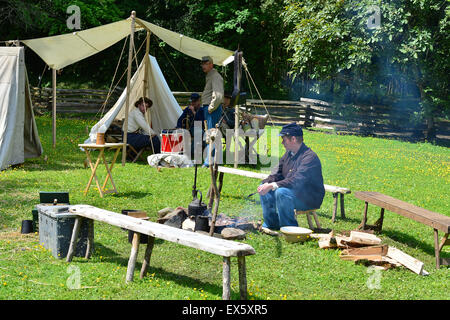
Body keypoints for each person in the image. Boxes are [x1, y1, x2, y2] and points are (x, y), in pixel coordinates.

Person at [257, 122, 325, 235]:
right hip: (293, 192)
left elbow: (297, 180)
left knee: (281, 192)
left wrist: (273, 185)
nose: (282, 142)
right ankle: (272, 223)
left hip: (308, 197)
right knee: (265, 188)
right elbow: (277, 173)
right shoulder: (288, 154)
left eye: (284, 139)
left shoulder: (309, 157)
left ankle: (290, 229)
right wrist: (266, 183)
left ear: (293, 139)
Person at [200, 55, 224, 167]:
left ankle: (209, 161)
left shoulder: (215, 76)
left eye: (206, 63)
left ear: (211, 64)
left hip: (212, 109)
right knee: (210, 134)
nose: (203, 66)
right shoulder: (210, 75)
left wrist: (211, 107)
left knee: (211, 135)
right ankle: (211, 159)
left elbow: (218, 95)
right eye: (202, 64)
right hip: (209, 108)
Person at [176, 92, 205, 159]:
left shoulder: (202, 110)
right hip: (189, 128)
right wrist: (178, 127)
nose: (192, 103)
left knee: (200, 133)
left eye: (194, 102)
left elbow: (201, 122)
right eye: (191, 101)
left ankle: (191, 152)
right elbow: (180, 119)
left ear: (198, 101)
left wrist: (194, 113)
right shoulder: (187, 109)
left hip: (199, 127)